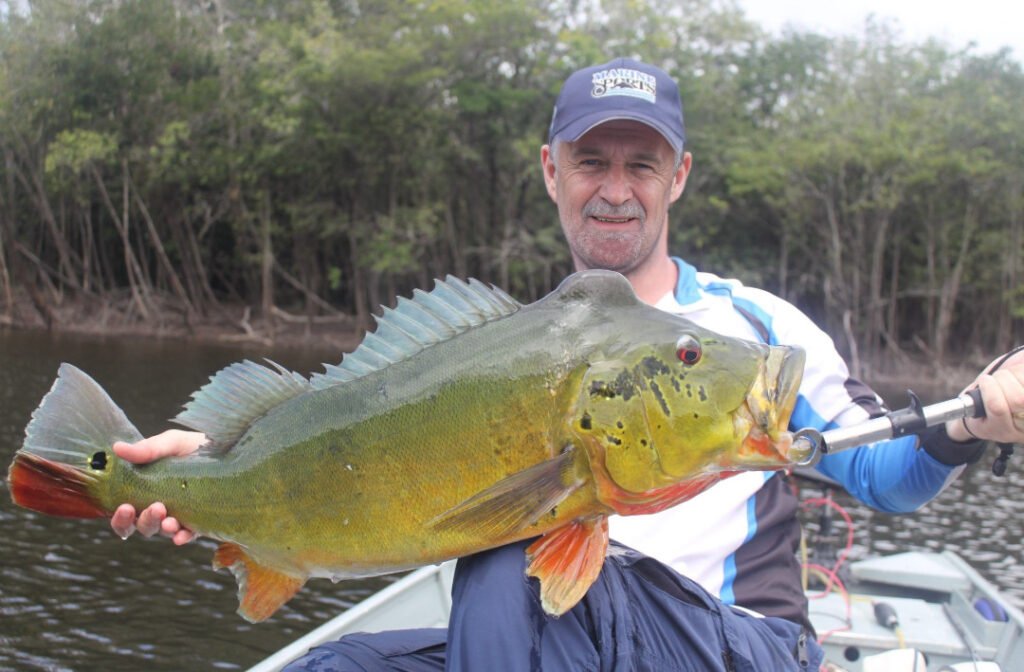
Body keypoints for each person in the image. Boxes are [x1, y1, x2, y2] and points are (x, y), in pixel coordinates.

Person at [111, 58, 1024, 670]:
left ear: (680, 176)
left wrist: (973, 418)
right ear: (552, 171)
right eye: (592, 161)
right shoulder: (509, 343)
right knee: (332, 665)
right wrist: (218, 452)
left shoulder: (758, 331)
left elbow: (884, 473)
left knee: (504, 577)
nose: (617, 187)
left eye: (643, 162)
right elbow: (348, 410)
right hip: (563, 629)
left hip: (735, 645)